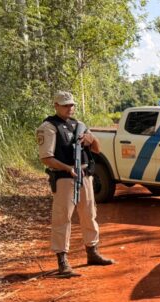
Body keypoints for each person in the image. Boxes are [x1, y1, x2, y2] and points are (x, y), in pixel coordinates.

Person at [36, 91, 115, 276]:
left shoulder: (79, 125)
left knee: (89, 214)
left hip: (85, 175)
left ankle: (92, 252)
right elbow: (46, 158)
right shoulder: (48, 127)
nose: (69, 108)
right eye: (65, 105)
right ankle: (62, 261)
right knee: (62, 218)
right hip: (64, 178)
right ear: (56, 106)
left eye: (71, 104)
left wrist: (91, 139)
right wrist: (67, 168)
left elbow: (97, 150)